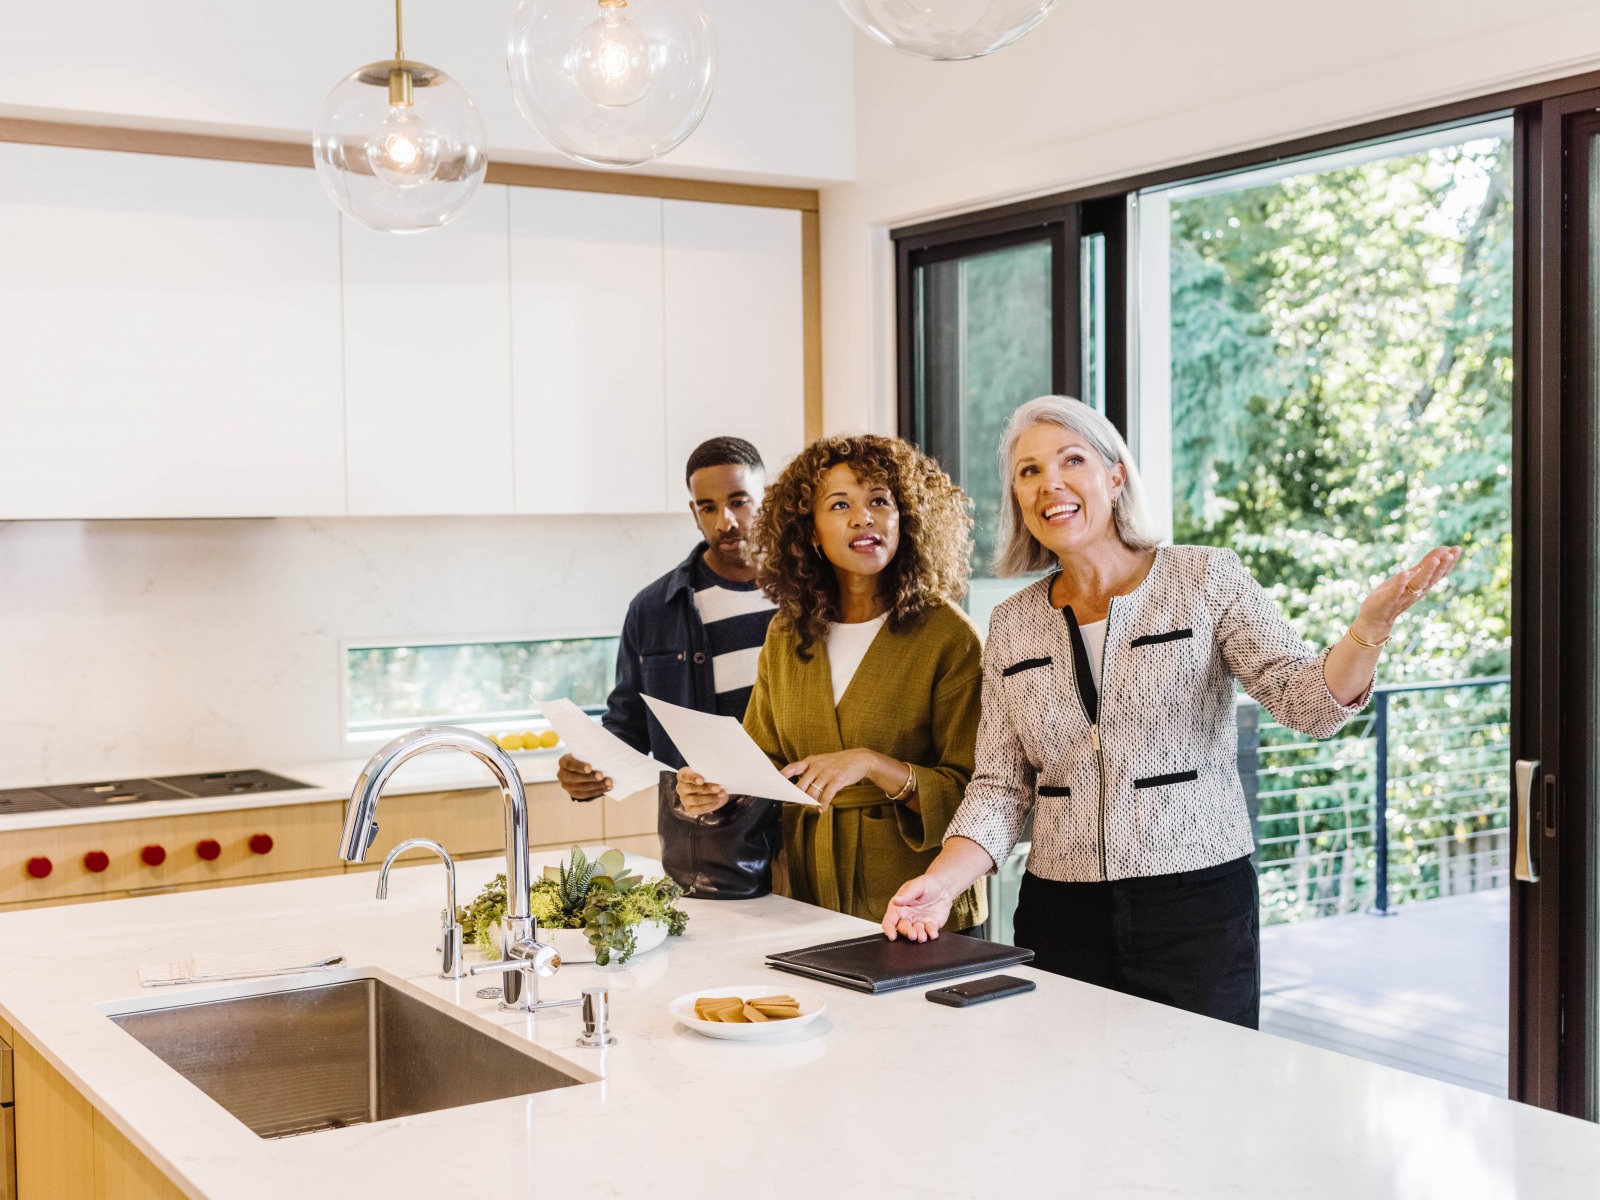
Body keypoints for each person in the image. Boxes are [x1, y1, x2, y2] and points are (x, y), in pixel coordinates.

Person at [881, 396, 1459, 1027]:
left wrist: (1367, 629)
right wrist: (940, 884)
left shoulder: (1205, 578)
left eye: (1072, 459)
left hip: (1196, 908)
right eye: (1029, 470)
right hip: (1060, 912)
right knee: (1068, 1100)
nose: (1051, 482)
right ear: (1019, 499)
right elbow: (998, 786)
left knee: (1200, 1105)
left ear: (1115, 475)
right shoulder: (1012, 623)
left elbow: (1310, 703)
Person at [676, 435, 988, 931]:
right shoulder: (789, 631)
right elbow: (765, 758)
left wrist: (871, 765)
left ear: (906, 518)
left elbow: (980, 795)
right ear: (812, 532)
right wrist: (720, 785)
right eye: (840, 504)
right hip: (807, 893)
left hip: (917, 903)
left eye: (880, 501)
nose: (863, 518)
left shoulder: (950, 638)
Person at [557, 436, 781, 899]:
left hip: (809, 836)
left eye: (739, 501)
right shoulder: (654, 609)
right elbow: (629, 725)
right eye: (708, 507)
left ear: (768, 498)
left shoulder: (808, 597)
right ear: (693, 512)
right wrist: (589, 770)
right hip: (710, 848)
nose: (727, 521)